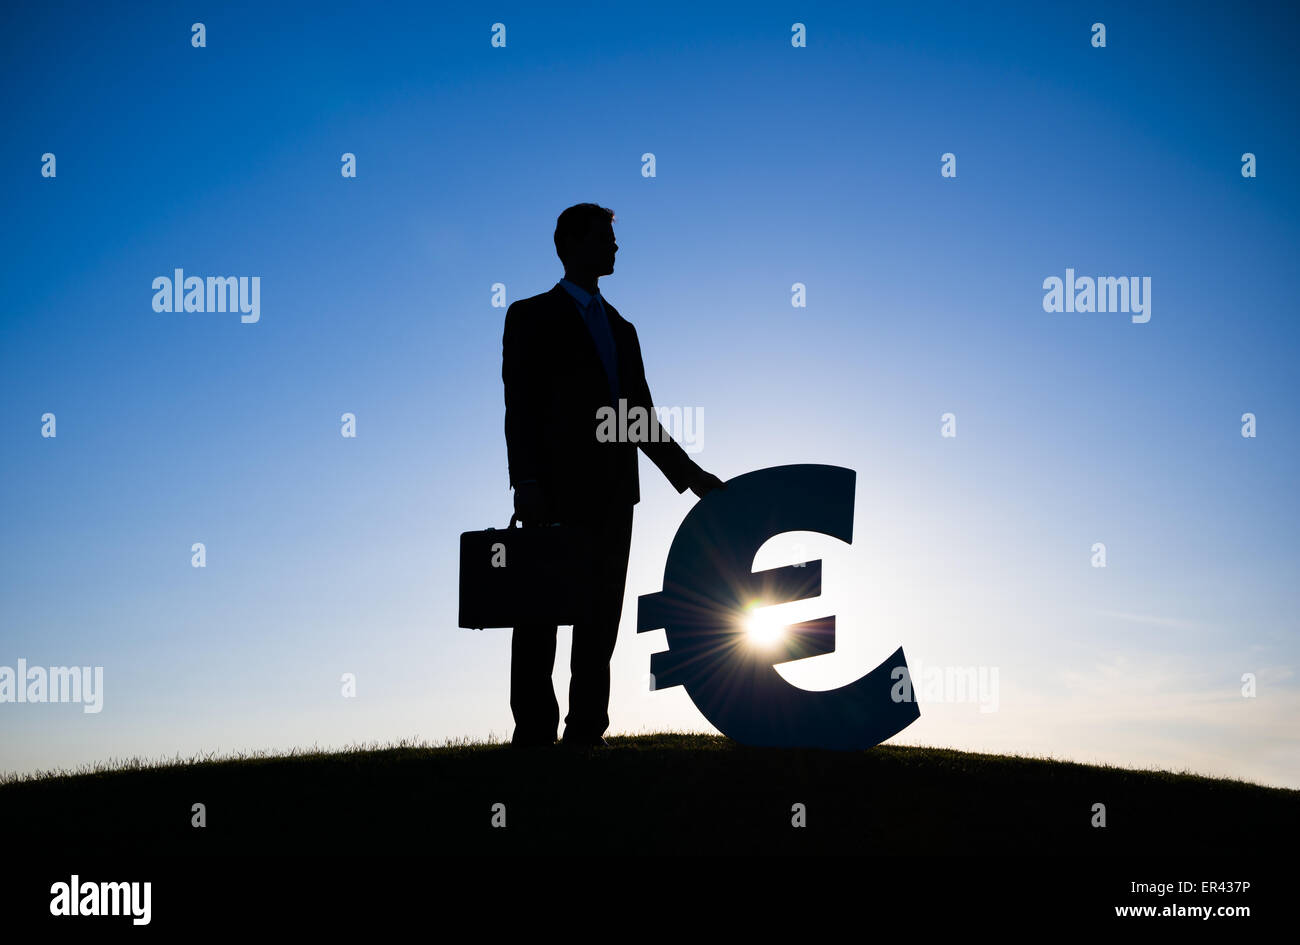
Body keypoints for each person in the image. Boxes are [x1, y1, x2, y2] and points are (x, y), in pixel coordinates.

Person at [501, 202, 725, 749]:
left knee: (600, 618)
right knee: (540, 616)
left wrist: (690, 474)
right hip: (551, 493)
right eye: (605, 238)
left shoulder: (623, 329)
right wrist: (526, 483)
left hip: (612, 496)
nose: (615, 247)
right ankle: (533, 732)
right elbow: (520, 407)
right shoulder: (529, 315)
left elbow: (637, 418)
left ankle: (585, 732)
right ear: (571, 245)